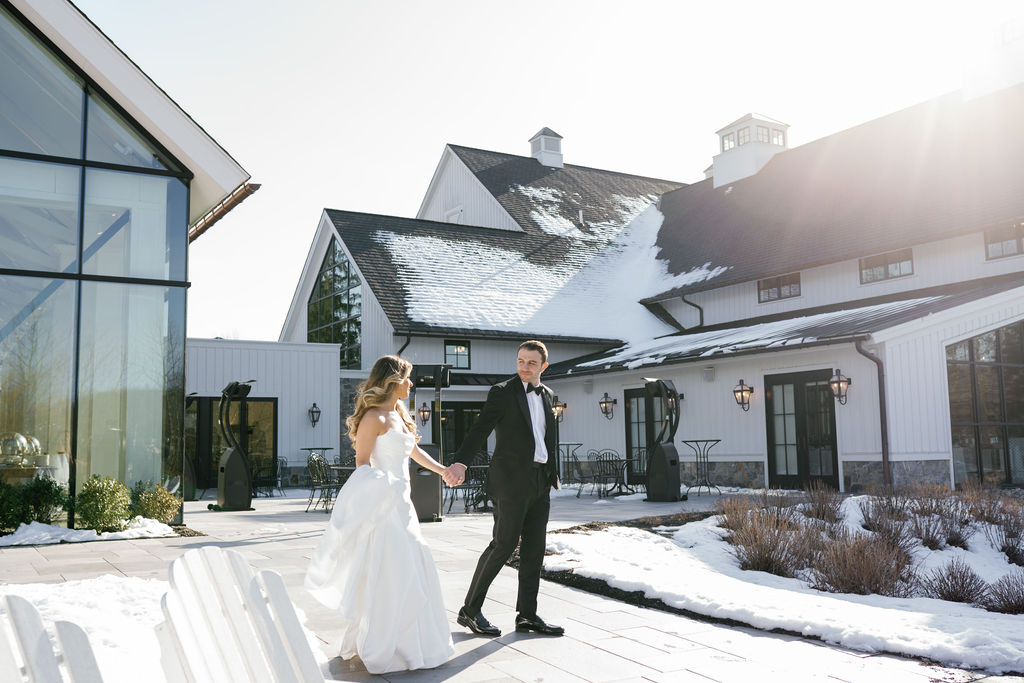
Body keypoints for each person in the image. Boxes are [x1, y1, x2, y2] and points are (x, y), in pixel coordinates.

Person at [305, 355, 454, 674]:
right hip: (384, 507)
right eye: (408, 378)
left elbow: (413, 451)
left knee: (413, 567)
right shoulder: (373, 417)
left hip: (404, 506)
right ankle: (384, 646)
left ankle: (412, 644)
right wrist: (381, 489)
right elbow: (362, 464)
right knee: (391, 571)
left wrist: (442, 470)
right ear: (393, 380)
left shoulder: (399, 414)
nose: (412, 384)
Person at [443, 340, 565, 637]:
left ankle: (527, 615)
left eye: (531, 363)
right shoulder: (502, 392)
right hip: (510, 482)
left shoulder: (548, 394)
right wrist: (460, 463)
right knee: (504, 544)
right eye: (521, 361)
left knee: (535, 550)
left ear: (543, 367)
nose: (524, 367)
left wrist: (551, 474)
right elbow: (480, 429)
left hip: (540, 481)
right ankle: (470, 610)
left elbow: (546, 438)